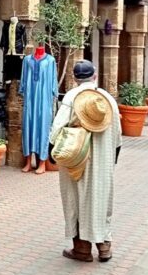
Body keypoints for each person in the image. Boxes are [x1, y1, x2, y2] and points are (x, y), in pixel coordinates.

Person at [49, 60, 122, 262]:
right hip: (103, 160)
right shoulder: (107, 99)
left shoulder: (72, 97)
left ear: (74, 78)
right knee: (101, 200)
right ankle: (104, 246)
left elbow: (57, 129)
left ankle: (82, 249)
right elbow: (117, 134)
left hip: (77, 159)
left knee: (76, 199)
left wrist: (52, 151)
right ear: (95, 76)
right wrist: (111, 160)